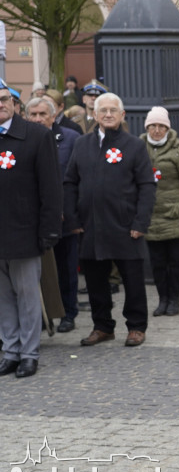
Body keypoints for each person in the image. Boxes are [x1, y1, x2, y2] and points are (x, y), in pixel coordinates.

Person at [64, 92, 156, 348]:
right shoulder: (82, 144)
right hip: (91, 225)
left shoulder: (134, 146)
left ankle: (136, 326)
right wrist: (72, 218)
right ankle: (102, 326)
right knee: (95, 281)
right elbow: (70, 182)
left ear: (122, 115)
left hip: (126, 227)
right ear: (94, 114)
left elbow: (147, 186)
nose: (107, 114)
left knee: (133, 281)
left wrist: (140, 223)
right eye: (102, 110)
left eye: (113, 110)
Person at [0, 81, 61, 378]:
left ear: (14, 103)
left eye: (4, 100)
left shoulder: (37, 136)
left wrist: (49, 229)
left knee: (27, 297)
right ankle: (10, 351)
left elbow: (50, 187)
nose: (0, 105)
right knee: (3, 299)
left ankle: (28, 353)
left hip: (24, 232)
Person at [25, 95, 82, 332]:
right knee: (35, 272)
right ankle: (40, 314)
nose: (38, 119)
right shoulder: (20, 139)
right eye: (33, 115)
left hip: (65, 217)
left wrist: (71, 213)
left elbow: (76, 179)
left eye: (42, 115)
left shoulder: (71, 139)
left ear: (53, 116)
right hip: (31, 219)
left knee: (66, 268)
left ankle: (68, 312)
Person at [142, 107, 179, 317]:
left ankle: (174, 299)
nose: (157, 130)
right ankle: (162, 299)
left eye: (161, 126)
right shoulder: (139, 147)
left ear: (167, 127)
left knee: (175, 263)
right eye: (153, 126)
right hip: (150, 216)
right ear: (147, 127)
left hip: (175, 215)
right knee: (157, 263)